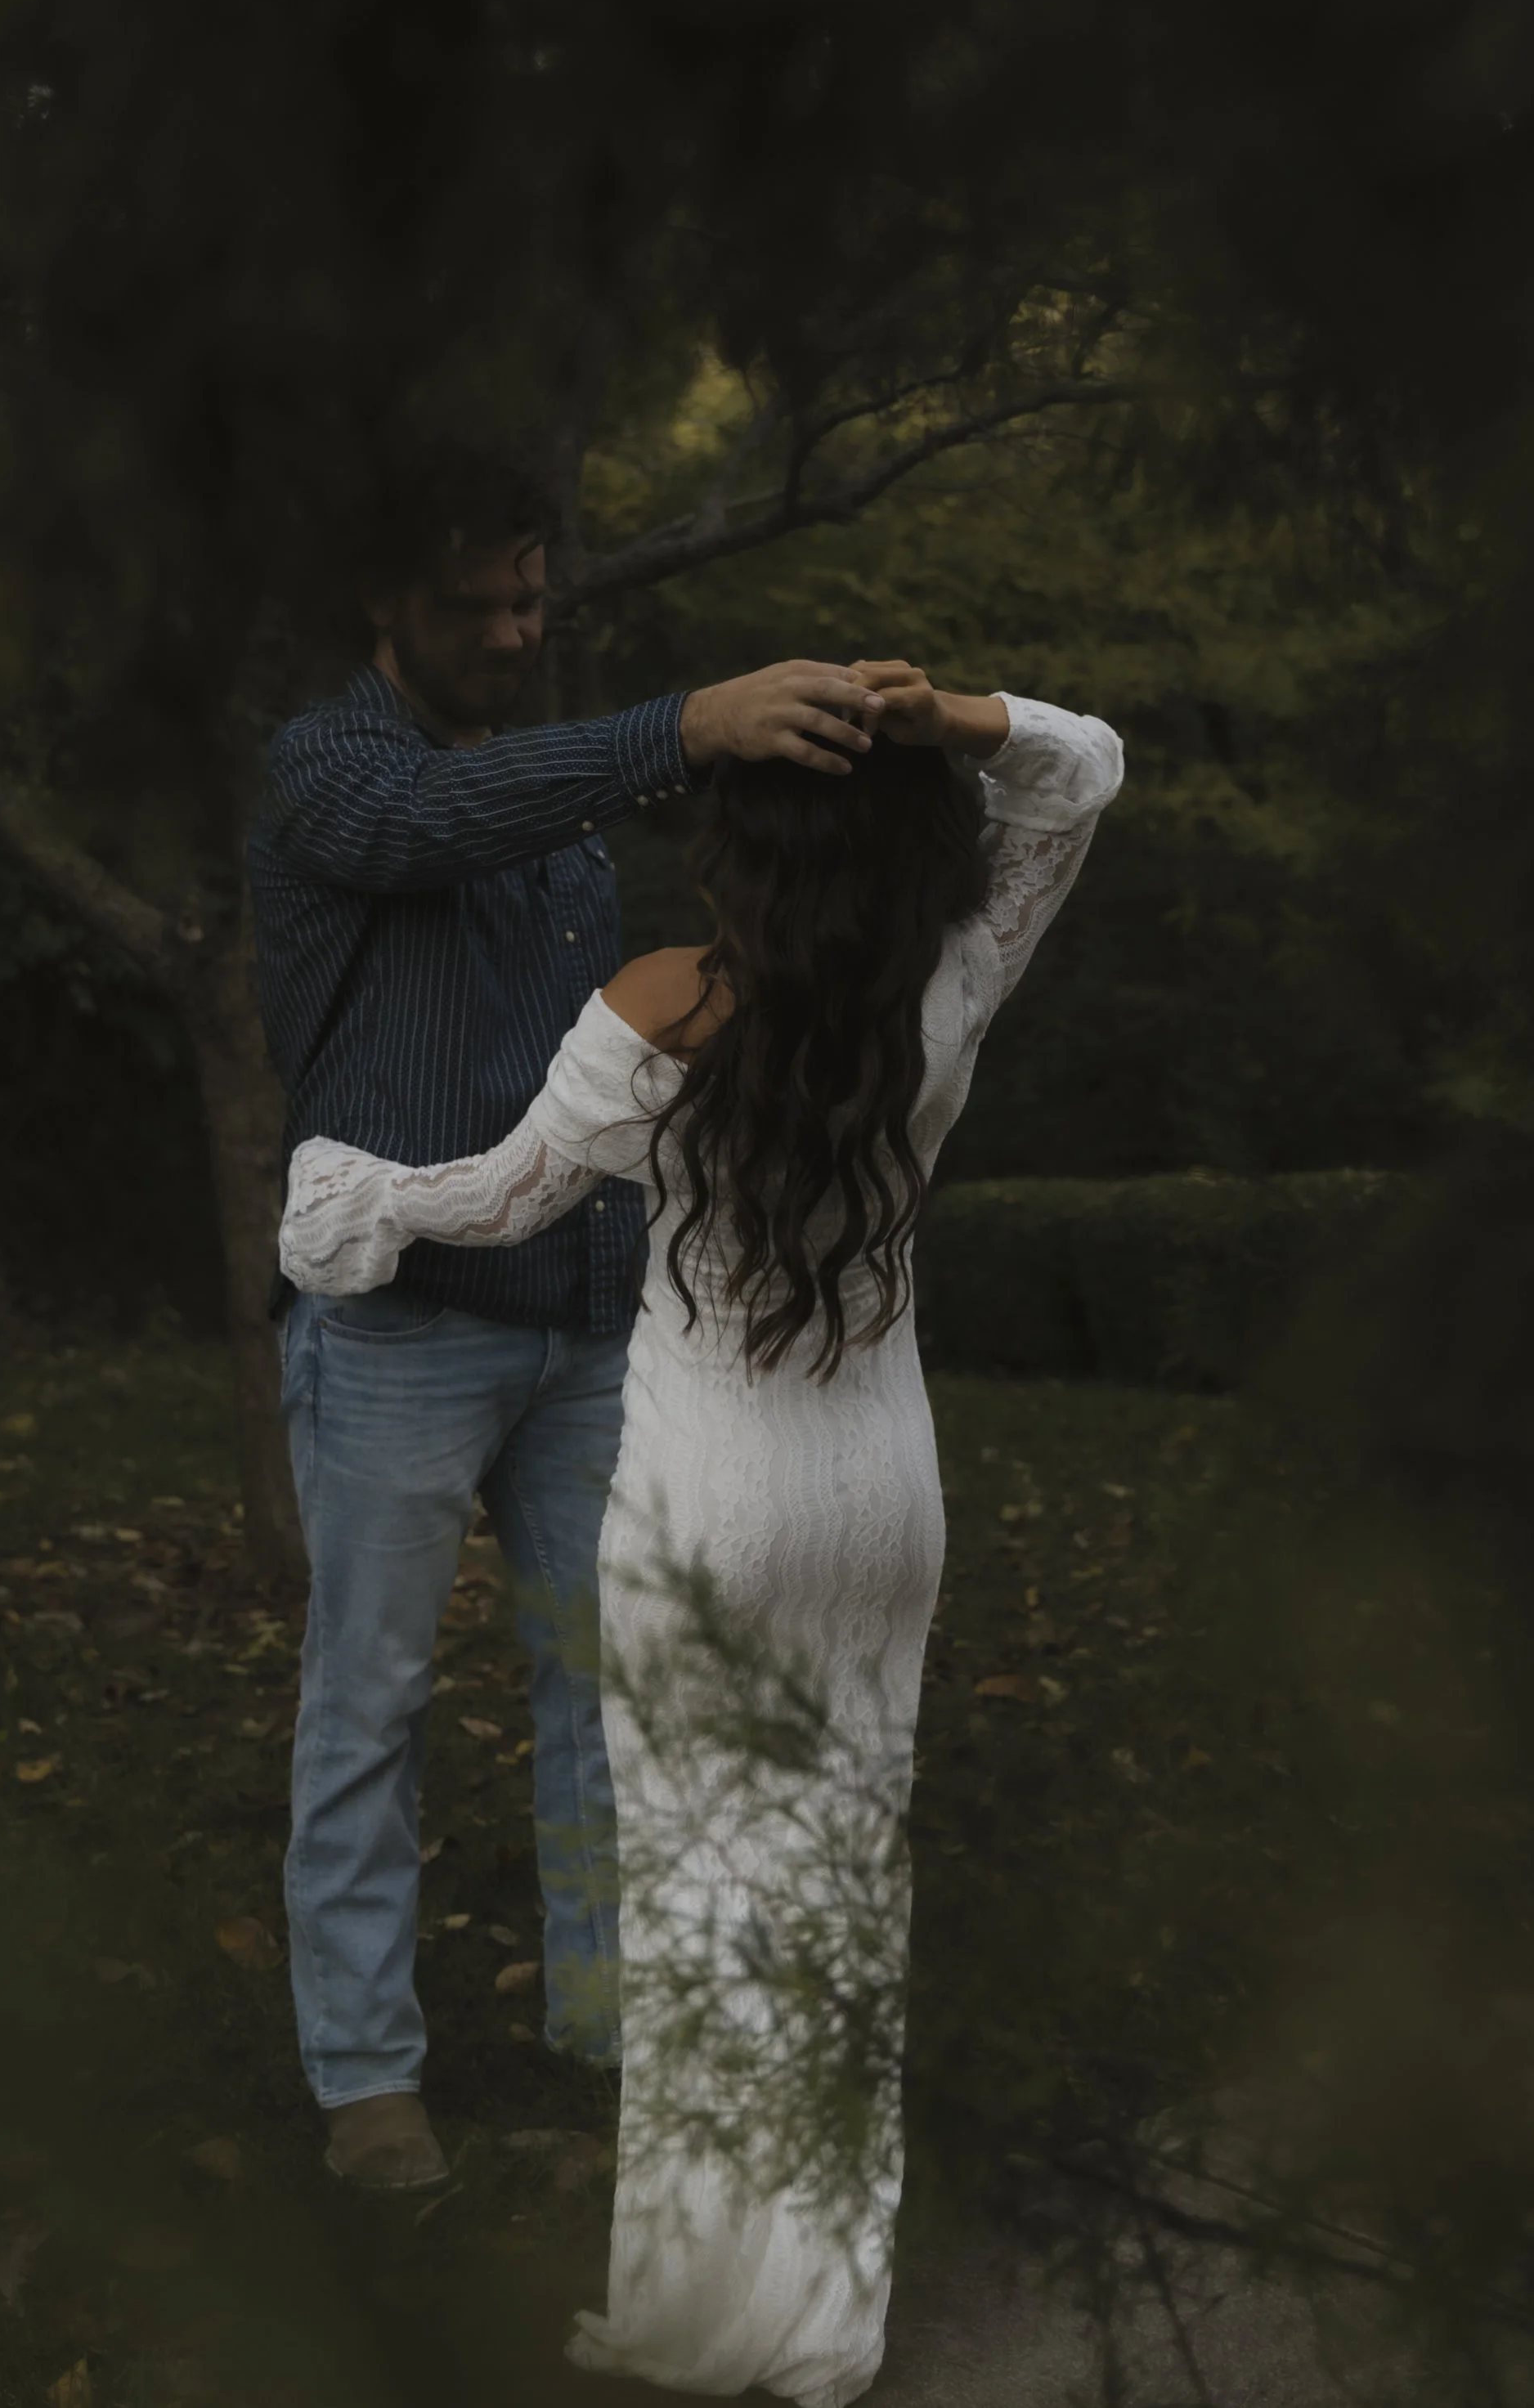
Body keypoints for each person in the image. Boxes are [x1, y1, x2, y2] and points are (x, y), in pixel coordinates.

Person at [278, 658, 1124, 2404]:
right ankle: (823, 2328)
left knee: (705, 1911)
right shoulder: (953, 982)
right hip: (881, 1506)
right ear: (913, 843)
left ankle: (701, 2318)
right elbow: (1082, 770)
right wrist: (949, 716)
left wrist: (357, 1197)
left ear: (741, 846)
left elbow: (496, 1202)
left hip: (714, 1506)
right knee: (841, 1897)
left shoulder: (662, 1003)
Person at [248, 451, 890, 2196]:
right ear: (384, 603)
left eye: (532, 601)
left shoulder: (551, 808)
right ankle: (367, 2082)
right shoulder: (330, 770)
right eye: (477, 606)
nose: (514, 634)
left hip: (585, 1329)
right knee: (367, 1706)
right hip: (394, 1332)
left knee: (608, 1692)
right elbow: (427, 822)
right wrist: (684, 725)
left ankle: (610, 2036)